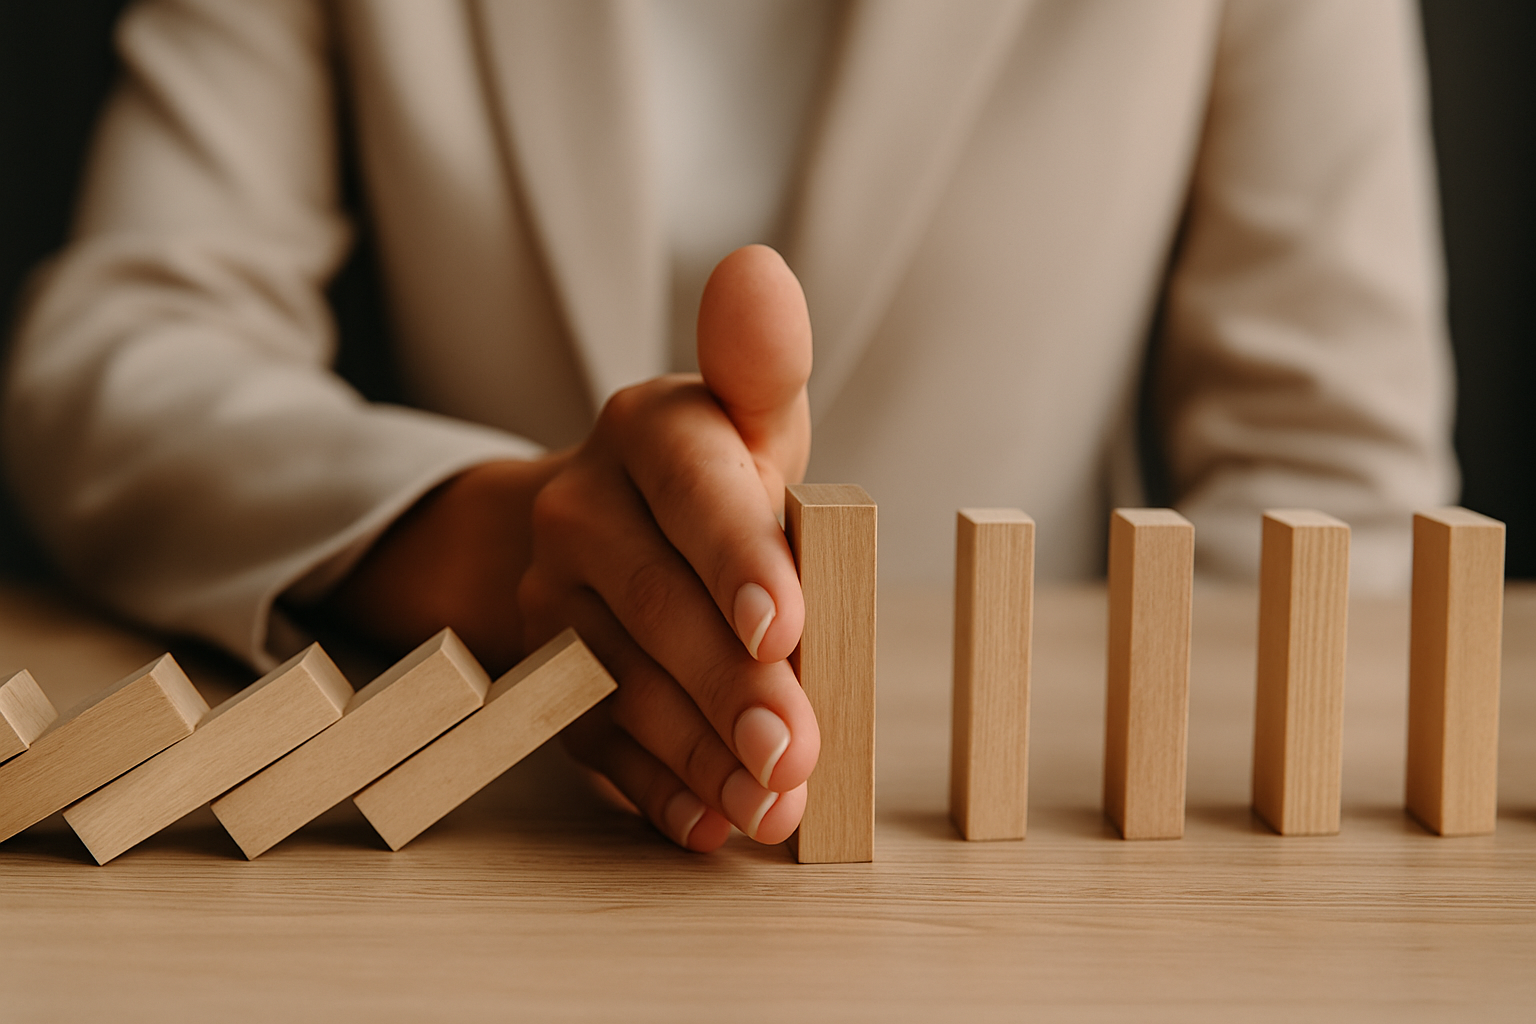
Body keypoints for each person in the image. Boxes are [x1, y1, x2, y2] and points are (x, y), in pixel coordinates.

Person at [1, 0, 1455, 852]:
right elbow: (123, 353)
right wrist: (488, 536)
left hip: (1013, 833)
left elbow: (1343, 488)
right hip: (526, 835)